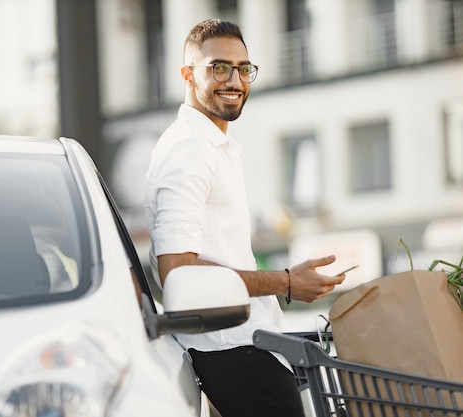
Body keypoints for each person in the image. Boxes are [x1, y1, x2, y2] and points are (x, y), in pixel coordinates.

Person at [145, 19, 346, 417]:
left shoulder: (212, 145)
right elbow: (177, 272)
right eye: (219, 67)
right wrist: (286, 282)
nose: (234, 79)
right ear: (188, 75)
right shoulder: (190, 152)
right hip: (233, 351)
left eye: (243, 68)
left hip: (245, 346)